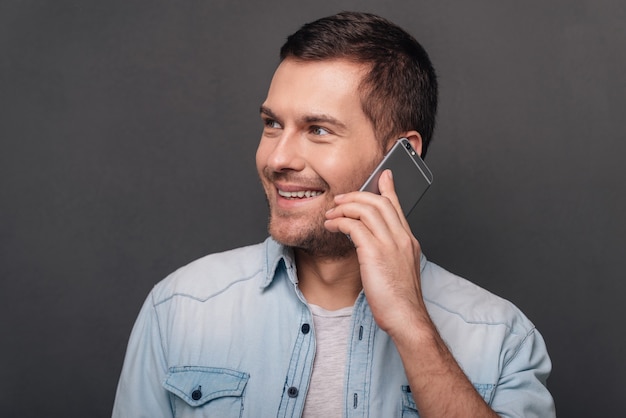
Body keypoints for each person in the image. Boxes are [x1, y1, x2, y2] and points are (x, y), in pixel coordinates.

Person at [113, 11, 555, 417]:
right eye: (272, 124)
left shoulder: (503, 340)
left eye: (318, 130)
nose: (277, 158)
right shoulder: (179, 308)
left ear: (402, 154)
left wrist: (413, 326)